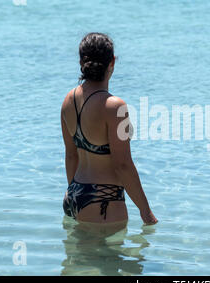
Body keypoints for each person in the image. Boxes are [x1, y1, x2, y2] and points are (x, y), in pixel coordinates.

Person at [61, 32, 157, 225]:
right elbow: (122, 164)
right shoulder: (114, 107)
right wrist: (146, 212)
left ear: (81, 62)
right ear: (112, 62)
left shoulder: (68, 100)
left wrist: (75, 194)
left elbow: (71, 156)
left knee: (78, 255)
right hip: (104, 200)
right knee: (110, 256)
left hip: (74, 194)